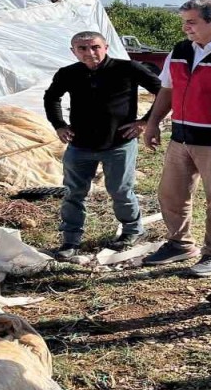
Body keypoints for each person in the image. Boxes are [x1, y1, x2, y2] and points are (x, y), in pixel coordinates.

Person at [142, 0, 211, 277]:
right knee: (171, 194)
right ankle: (180, 243)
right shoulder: (180, 51)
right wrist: (153, 122)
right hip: (180, 137)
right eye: (184, 22)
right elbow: (167, 90)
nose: (185, 29)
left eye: (191, 22)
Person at [44, 31, 162, 259]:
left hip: (119, 143)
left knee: (120, 190)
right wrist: (59, 125)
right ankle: (70, 239)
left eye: (95, 47)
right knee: (73, 192)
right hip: (80, 145)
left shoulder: (128, 69)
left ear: (106, 47)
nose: (90, 53)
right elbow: (51, 98)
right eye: (82, 49)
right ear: (73, 51)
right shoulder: (69, 73)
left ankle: (131, 230)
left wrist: (146, 122)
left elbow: (163, 92)